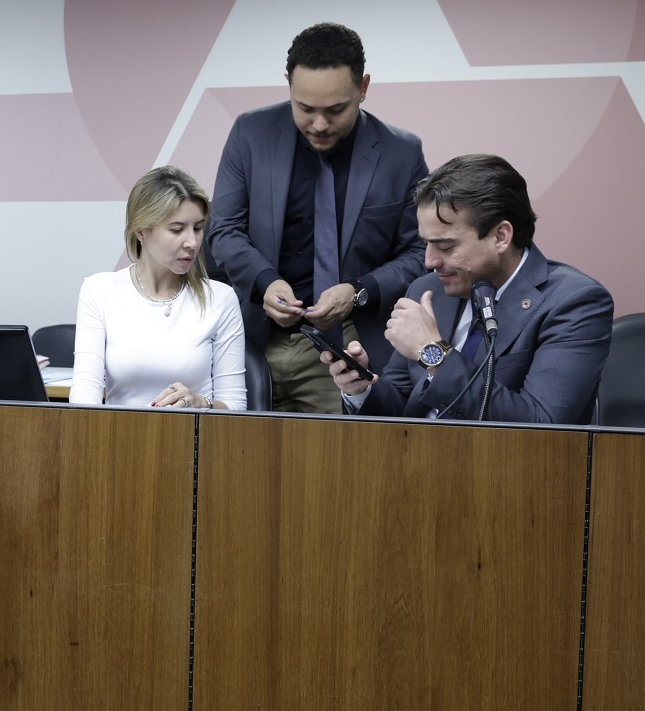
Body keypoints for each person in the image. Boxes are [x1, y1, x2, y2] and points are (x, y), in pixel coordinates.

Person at [206, 22, 428, 413]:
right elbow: (223, 230)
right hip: (252, 342)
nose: (320, 124)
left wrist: (357, 291)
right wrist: (264, 281)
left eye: (336, 110)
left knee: (333, 453)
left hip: (343, 349)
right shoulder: (250, 134)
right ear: (289, 85)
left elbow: (419, 252)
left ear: (363, 87)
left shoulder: (402, 153)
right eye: (305, 109)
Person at [327, 154, 613, 424]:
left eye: (445, 246)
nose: (429, 261)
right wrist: (361, 388)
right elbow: (404, 408)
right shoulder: (427, 291)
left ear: (500, 236)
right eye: (426, 243)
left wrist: (433, 352)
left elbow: (541, 424)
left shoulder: (574, 301)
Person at [70, 167, 246, 409]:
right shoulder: (99, 290)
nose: (193, 242)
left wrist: (200, 403)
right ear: (142, 230)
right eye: (177, 230)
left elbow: (236, 407)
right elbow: (84, 393)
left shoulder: (221, 298)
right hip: (115, 431)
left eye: (197, 228)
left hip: (193, 432)